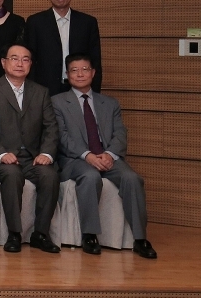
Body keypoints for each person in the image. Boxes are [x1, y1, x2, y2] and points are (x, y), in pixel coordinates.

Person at [51, 54, 156, 259]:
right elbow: (60, 137)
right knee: (90, 177)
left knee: (132, 178)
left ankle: (140, 239)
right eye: (74, 70)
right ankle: (89, 235)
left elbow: (120, 133)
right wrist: (87, 155)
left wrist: (109, 154)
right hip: (75, 160)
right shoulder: (57, 102)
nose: (80, 74)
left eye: (85, 69)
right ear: (67, 74)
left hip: (109, 157)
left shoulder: (109, 103)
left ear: (93, 72)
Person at [0, 43, 61, 254]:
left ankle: (40, 234)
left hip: (32, 157)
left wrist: (46, 153)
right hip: (0, 157)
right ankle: (15, 233)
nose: (20, 63)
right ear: (4, 63)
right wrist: (2, 154)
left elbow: (51, 127)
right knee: (12, 174)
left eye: (25, 59)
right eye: (14, 58)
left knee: (50, 175)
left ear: (31, 65)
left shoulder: (41, 92)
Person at [24, 0, 102, 96]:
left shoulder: (87, 22)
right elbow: (30, 58)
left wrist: (94, 91)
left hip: (79, 86)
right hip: (45, 88)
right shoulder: (35, 22)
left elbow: (95, 59)